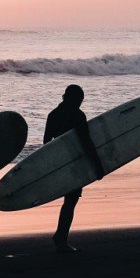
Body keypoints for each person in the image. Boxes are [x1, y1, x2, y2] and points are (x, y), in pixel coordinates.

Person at [46, 83, 106, 253]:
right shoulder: (78, 115)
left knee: (69, 201)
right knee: (70, 201)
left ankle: (60, 236)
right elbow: (86, 142)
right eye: (80, 100)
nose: (81, 103)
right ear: (74, 99)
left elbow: (46, 143)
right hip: (75, 162)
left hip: (59, 163)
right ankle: (61, 238)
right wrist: (98, 165)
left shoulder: (52, 115)